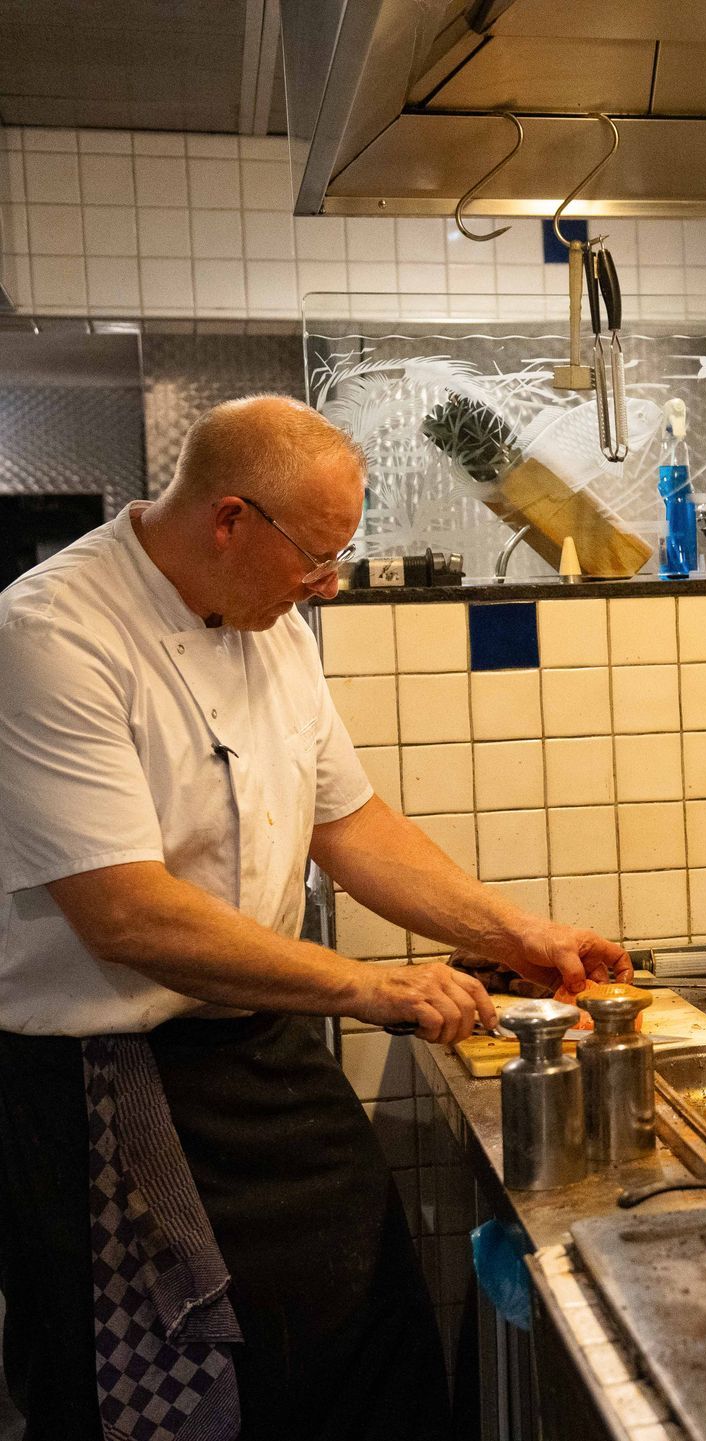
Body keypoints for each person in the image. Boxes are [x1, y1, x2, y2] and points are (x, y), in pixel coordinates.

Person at [0, 395, 631, 1440]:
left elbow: (353, 823)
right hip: (109, 1082)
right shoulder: (50, 633)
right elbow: (126, 913)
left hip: (261, 1048)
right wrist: (369, 986)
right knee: (161, 1391)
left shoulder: (276, 629)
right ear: (229, 519)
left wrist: (512, 933)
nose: (329, 583)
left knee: (370, 1342)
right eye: (318, 556)